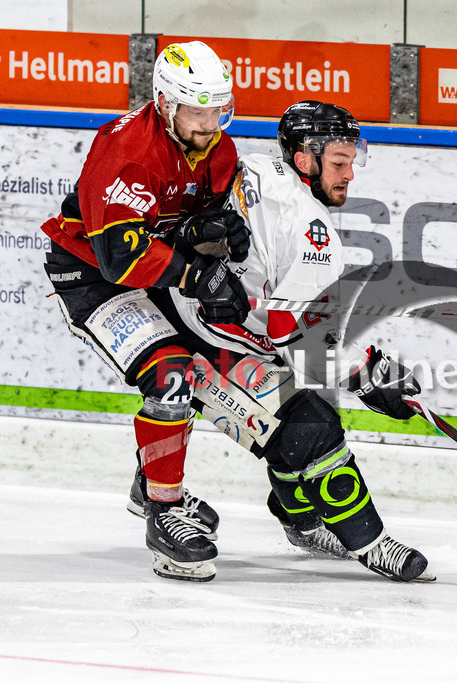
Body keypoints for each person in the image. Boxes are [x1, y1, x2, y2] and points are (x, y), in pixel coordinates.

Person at [168, 101, 435, 583]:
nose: (350, 173)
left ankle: (305, 523)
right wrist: (371, 376)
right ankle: (370, 543)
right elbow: (298, 341)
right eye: (338, 161)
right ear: (303, 157)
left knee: (295, 411)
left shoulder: (247, 163)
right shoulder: (313, 233)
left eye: (353, 160)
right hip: (203, 344)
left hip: (177, 313)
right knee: (311, 423)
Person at [40, 41, 253, 582]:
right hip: (91, 275)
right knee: (172, 377)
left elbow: (195, 222)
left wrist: (222, 233)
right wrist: (198, 272)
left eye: (218, 109)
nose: (209, 123)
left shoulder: (220, 152)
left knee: (207, 368)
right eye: (196, 110)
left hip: (152, 271)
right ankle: (163, 509)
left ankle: (148, 477)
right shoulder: (127, 150)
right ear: (164, 103)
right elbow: (120, 257)